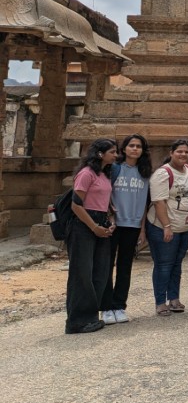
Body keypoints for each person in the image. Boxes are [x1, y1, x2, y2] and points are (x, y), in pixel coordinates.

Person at [66, 138, 118, 334]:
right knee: (82, 274)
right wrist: (94, 227)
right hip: (83, 224)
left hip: (101, 222)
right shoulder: (86, 174)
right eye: (112, 151)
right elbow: (76, 204)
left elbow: (104, 201)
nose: (115, 155)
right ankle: (76, 321)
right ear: (100, 153)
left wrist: (110, 221)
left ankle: (90, 316)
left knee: (101, 271)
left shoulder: (105, 174)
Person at [100, 133, 151, 325]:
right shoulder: (114, 168)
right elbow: (104, 196)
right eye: (131, 145)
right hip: (113, 224)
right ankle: (105, 307)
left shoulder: (145, 172)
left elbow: (145, 203)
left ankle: (119, 305)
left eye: (138, 146)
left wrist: (143, 229)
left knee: (125, 267)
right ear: (124, 148)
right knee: (107, 265)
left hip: (133, 224)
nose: (135, 149)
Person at [146, 139, 188, 316]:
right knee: (164, 265)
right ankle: (160, 302)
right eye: (179, 152)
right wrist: (166, 226)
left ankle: (174, 299)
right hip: (164, 227)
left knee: (176, 264)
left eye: (186, 152)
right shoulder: (163, 174)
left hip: (185, 226)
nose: (183, 155)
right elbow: (159, 201)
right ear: (171, 153)